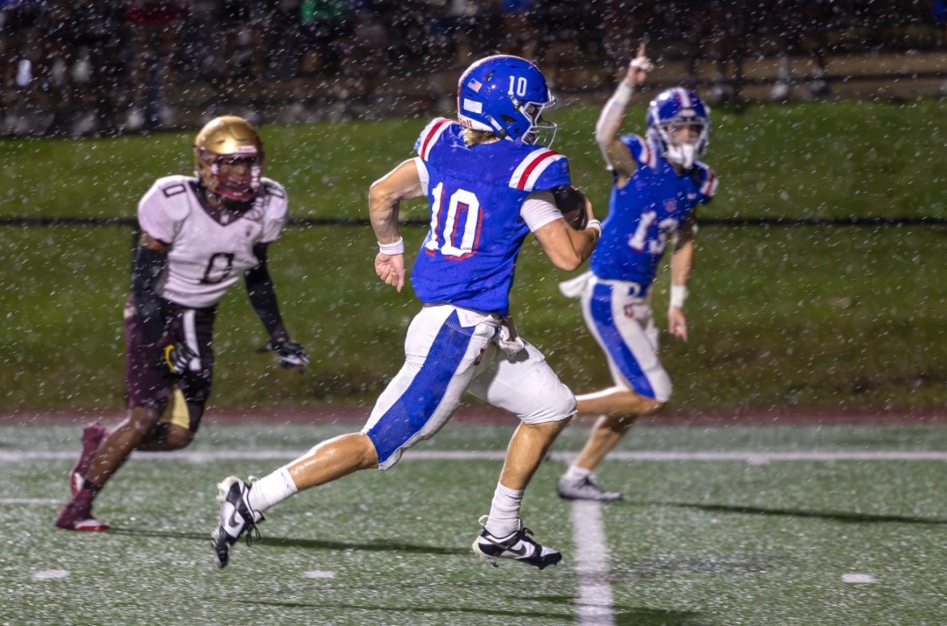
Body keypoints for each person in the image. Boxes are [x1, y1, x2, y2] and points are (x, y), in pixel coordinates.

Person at [210, 55, 601, 570]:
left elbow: (382, 192)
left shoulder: (443, 144)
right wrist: (591, 224)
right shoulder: (526, 173)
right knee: (375, 445)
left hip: (473, 328)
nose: (534, 117)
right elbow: (568, 255)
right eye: (528, 107)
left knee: (552, 406)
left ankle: (502, 529)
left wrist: (390, 247)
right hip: (458, 333)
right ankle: (253, 498)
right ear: (507, 109)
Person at [55, 116, 310, 531]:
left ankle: (100, 448)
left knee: (177, 436)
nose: (238, 173)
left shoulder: (269, 203)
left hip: (200, 318)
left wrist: (279, 335)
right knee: (144, 416)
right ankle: (78, 508)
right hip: (154, 311)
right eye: (227, 163)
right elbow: (142, 286)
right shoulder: (171, 198)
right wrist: (161, 341)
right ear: (204, 163)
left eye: (246, 163)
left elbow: (257, 275)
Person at [556, 46, 717, 502]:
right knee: (652, 394)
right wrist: (630, 83)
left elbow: (684, 238)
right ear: (658, 131)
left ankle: (578, 476)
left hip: (638, 297)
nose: (685, 135)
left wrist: (677, 301)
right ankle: (550, 409)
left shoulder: (697, 179)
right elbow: (604, 133)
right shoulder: (638, 161)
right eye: (677, 127)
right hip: (610, 292)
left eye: (692, 128)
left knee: (632, 399)